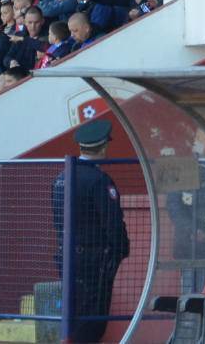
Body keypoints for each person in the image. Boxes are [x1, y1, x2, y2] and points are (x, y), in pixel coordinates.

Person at [50, 117, 130, 342]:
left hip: (67, 255)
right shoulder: (98, 179)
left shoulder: (61, 178)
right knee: (94, 318)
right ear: (104, 146)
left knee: (73, 313)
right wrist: (120, 250)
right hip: (94, 259)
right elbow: (112, 221)